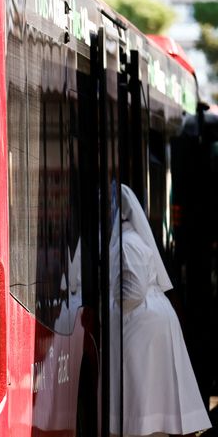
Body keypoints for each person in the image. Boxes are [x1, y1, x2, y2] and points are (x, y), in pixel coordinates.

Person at [109, 184, 211, 437]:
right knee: (151, 388)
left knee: (141, 388)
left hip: (140, 322)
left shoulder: (127, 242)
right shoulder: (131, 239)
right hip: (149, 320)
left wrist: (112, 305)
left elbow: (132, 292)